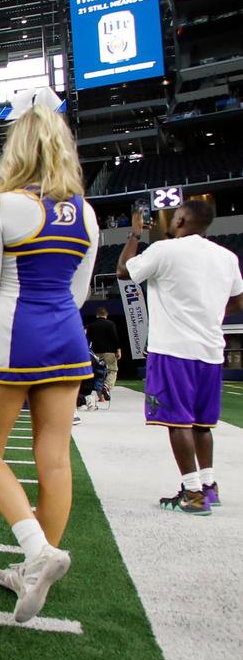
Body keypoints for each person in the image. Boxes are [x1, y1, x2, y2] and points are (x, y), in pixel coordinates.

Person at [0, 103, 98, 623]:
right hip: (68, 335)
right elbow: (81, 293)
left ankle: (37, 553)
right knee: (56, 456)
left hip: (12, 336)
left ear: (15, 149)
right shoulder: (85, 212)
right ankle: (35, 565)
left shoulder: (1, 206)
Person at [118, 199, 243, 514]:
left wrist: (134, 235)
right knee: (202, 424)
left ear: (184, 220)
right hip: (211, 352)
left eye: (174, 217)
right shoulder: (227, 257)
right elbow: (238, 301)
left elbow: (123, 272)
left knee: (178, 422)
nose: (169, 222)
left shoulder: (165, 250)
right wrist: (212, 316)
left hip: (173, 350)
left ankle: (192, 493)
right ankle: (209, 486)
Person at [84, 307, 120, 397]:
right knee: (112, 370)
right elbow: (114, 337)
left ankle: (100, 394)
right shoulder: (110, 324)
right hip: (109, 351)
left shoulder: (91, 326)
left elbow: (87, 339)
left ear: (97, 315)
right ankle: (107, 386)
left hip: (96, 352)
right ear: (106, 315)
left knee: (98, 372)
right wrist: (118, 349)